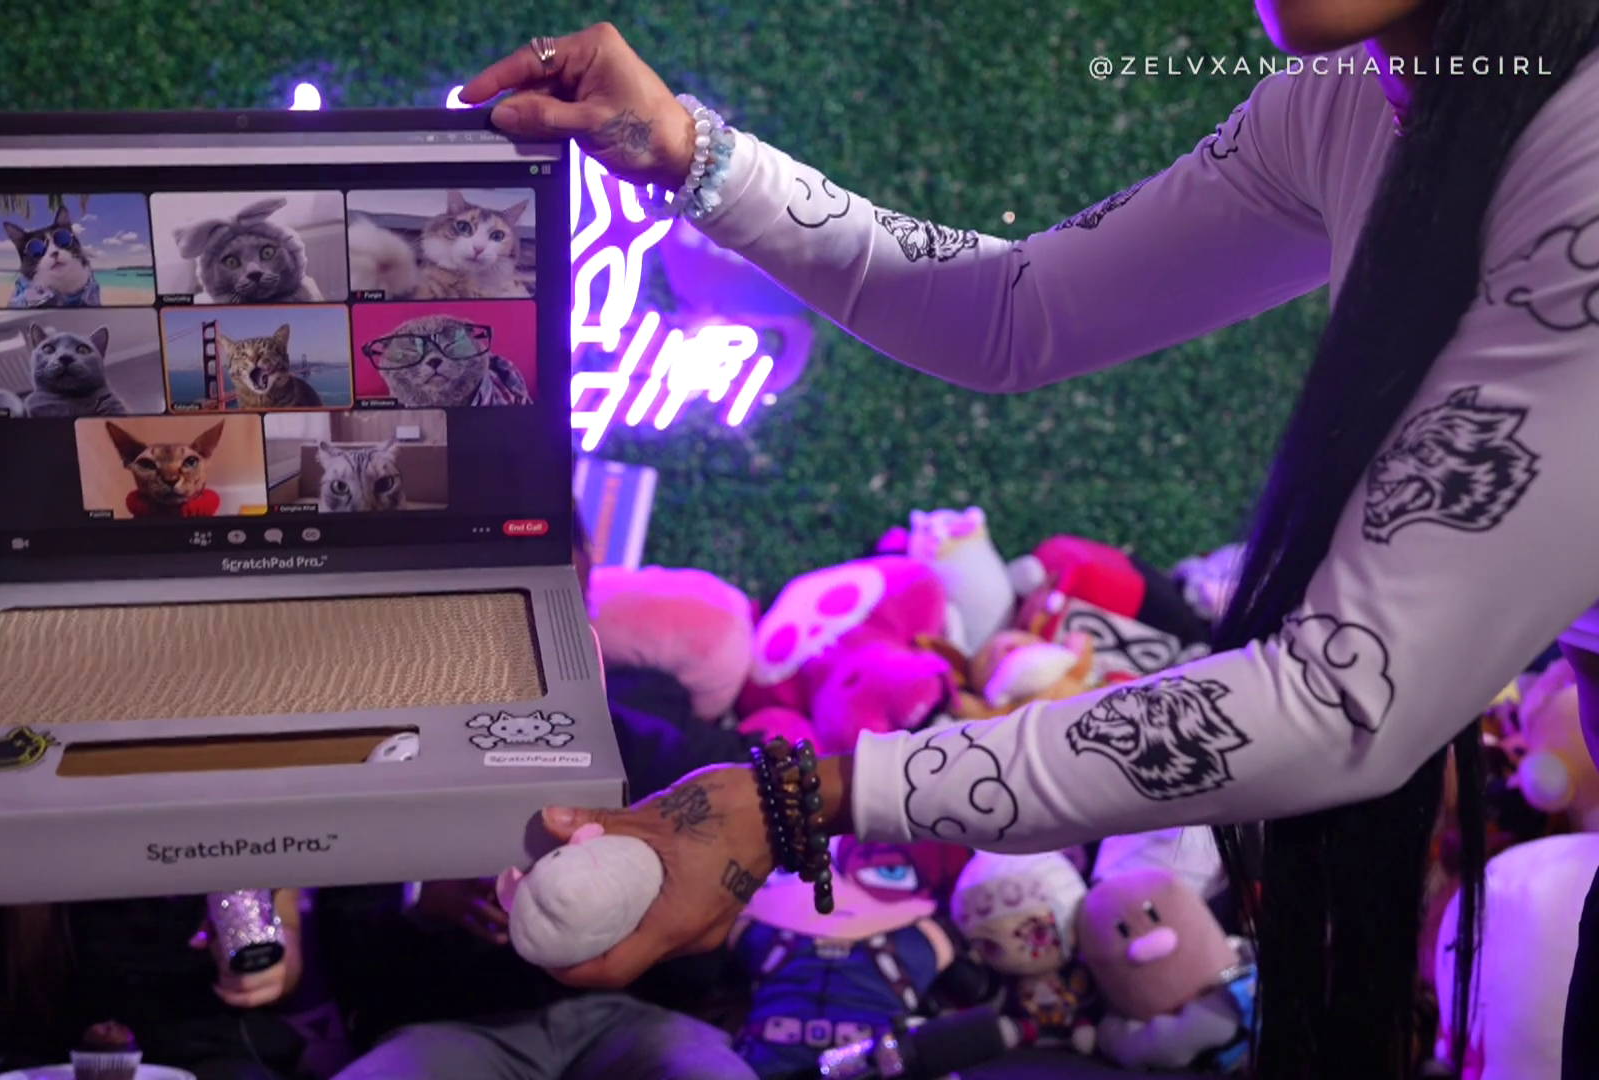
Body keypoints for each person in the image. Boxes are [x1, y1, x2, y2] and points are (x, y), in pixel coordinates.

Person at [460, 4, 1599, 1077]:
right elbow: (1012, 307)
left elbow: (1340, 697)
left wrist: (797, 799)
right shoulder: (1352, 96)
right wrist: (688, 152)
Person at [316, 508, 757, 1079]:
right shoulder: (390, 754)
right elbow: (344, 963)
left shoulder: (660, 753)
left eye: (568, 606)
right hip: (453, 1026)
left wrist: (634, 898)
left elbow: (700, 970)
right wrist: (424, 907)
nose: (541, 636)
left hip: (630, 1019)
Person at [0, 891, 307, 1080]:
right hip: (19, 1032)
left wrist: (268, 968)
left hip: (199, 1038)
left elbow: (284, 929)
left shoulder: (219, 730)